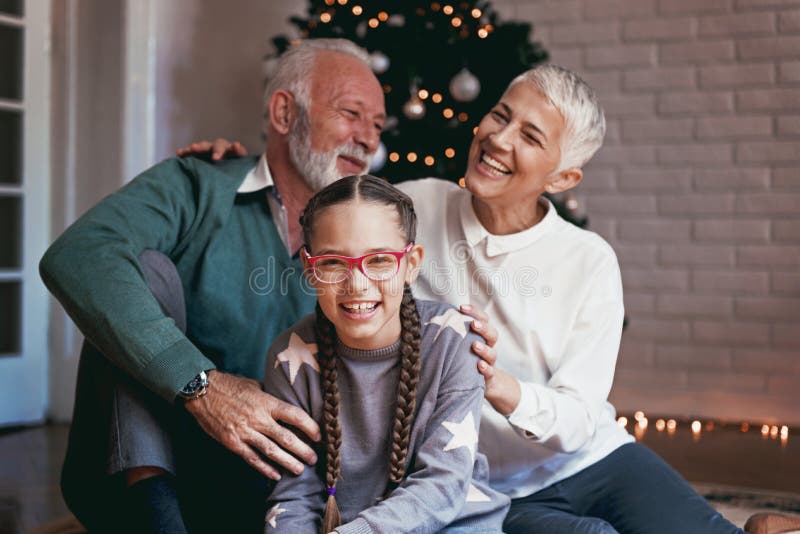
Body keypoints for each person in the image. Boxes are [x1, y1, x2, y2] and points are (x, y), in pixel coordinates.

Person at [193, 64, 742, 533]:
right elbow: (334, 211)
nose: (501, 140)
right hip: (479, 484)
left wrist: (501, 388)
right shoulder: (415, 204)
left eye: (531, 137)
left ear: (563, 176)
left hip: (591, 459)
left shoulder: (589, 260)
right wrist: (228, 169)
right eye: (501, 116)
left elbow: (578, 418)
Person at [39, 38, 390, 534]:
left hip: (270, 488)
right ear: (285, 112)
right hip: (143, 475)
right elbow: (78, 255)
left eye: (377, 125)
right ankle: (156, 517)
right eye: (351, 114)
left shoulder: (368, 234)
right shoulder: (195, 183)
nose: (368, 139)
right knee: (146, 270)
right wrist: (202, 388)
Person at [262, 174, 509, 533]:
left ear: (411, 265)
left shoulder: (454, 341)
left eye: (378, 260)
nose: (357, 283)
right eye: (333, 262)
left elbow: (442, 482)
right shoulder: (291, 355)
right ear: (309, 268)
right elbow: (294, 495)